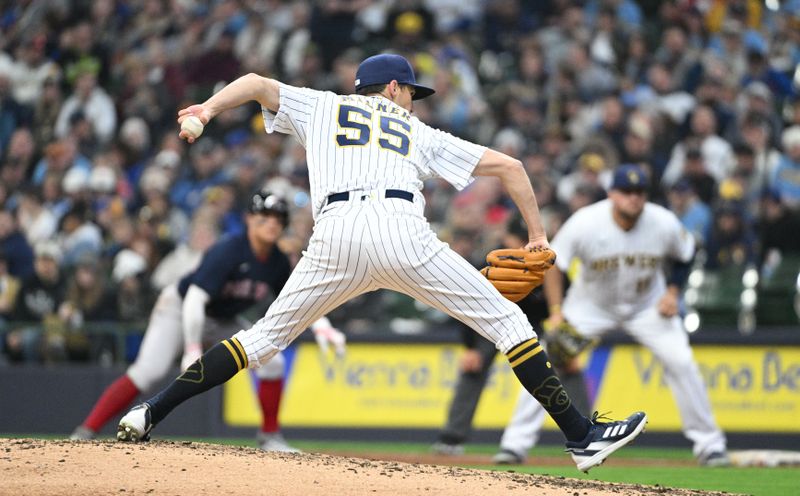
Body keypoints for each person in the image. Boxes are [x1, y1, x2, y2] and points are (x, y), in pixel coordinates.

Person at [116, 53, 646, 472]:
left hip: (335, 236)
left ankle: (150, 411)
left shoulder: (322, 105)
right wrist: (536, 235)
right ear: (392, 88)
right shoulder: (419, 132)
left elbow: (254, 81)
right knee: (509, 321)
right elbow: (512, 166)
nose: (413, 100)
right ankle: (580, 437)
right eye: (411, 91)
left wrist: (205, 111)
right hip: (401, 232)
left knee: (262, 340)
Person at [71, 191, 346, 452]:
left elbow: (298, 299)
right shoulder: (229, 249)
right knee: (148, 370)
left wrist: (323, 326)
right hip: (181, 309)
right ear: (249, 218)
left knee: (272, 362)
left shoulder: (276, 262)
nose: (272, 224)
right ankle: (86, 429)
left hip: (221, 317)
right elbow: (194, 299)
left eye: (278, 219)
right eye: (264, 217)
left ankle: (270, 436)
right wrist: (192, 348)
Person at [492, 164, 729, 467]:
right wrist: (556, 311)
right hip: (591, 306)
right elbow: (553, 264)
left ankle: (710, 445)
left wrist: (673, 292)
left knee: (681, 361)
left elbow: (685, 255)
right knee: (547, 357)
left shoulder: (663, 221)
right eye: (627, 192)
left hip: (648, 307)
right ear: (612, 194)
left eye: (640, 192)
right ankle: (515, 444)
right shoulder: (586, 222)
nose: (634, 198)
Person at [431, 219, 591, 459]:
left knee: (568, 365)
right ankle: (451, 439)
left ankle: (586, 435)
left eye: (512, 239)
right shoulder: (493, 260)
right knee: (473, 368)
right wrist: (469, 347)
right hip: (494, 323)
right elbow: (468, 302)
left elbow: (565, 304)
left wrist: (566, 346)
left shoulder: (551, 268)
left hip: (536, 326)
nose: (507, 243)